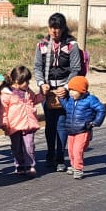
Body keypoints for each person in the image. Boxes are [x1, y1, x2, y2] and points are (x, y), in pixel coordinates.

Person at [33, 12, 84, 170]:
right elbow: (37, 67)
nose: (54, 31)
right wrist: (42, 84)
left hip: (64, 90)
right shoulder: (41, 45)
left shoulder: (72, 45)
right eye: (52, 28)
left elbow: (76, 69)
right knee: (50, 124)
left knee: (61, 123)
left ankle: (60, 158)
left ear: (63, 29)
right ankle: (50, 154)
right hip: (47, 91)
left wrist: (67, 88)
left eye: (58, 28)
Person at [59, 75, 106, 179]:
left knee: (77, 150)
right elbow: (66, 107)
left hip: (83, 130)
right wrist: (61, 97)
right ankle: (73, 165)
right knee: (70, 150)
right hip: (71, 130)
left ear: (82, 90)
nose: (71, 92)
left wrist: (95, 122)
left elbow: (101, 109)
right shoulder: (71, 100)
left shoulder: (90, 100)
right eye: (70, 90)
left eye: (74, 90)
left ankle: (78, 169)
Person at [0, 66, 42, 177]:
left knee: (29, 146)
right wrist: (4, 123)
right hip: (14, 126)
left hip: (28, 124)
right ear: (17, 81)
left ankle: (29, 165)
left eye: (28, 80)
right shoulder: (7, 93)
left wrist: (43, 94)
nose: (27, 83)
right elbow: (3, 110)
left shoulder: (28, 92)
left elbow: (35, 100)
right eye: (25, 81)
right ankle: (19, 165)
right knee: (16, 147)